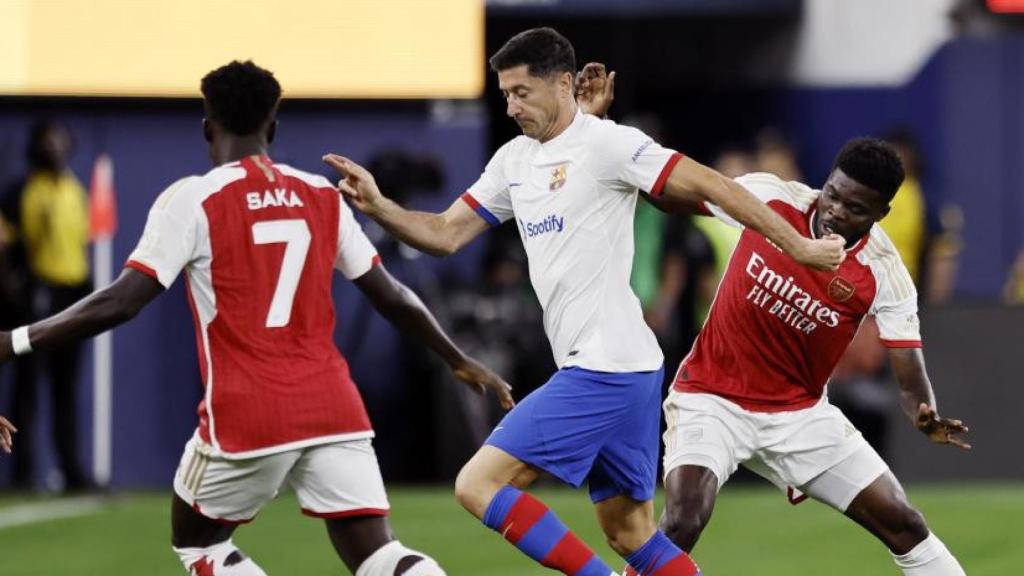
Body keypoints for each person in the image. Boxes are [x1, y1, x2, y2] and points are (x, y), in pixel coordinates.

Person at [324, 28, 845, 576]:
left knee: (477, 484)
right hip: (625, 367)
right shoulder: (514, 161)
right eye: (504, 94)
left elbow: (716, 186)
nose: (511, 105)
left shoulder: (609, 145)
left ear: (565, 84)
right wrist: (380, 206)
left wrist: (801, 247)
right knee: (630, 533)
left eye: (522, 92)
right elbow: (445, 233)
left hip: (607, 368)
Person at [0, 60, 513, 576]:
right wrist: (457, 357)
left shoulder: (192, 199)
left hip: (248, 410)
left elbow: (121, 300)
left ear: (207, 127)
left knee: (197, 542)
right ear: (273, 127)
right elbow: (393, 295)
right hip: (332, 405)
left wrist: (14, 340)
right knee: (379, 553)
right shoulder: (320, 194)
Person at [656, 138, 970, 576]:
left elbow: (908, 372)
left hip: (799, 417)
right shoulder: (771, 197)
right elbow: (677, 195)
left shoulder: (884, 271)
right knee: (683, 520)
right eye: (833, 194)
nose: (836, 211)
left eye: (856, 208)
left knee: (905, 523)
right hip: (711, 397)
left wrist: (924, 410)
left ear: (881, 214)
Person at [0, 120, 93, 491]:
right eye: (47, 140)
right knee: (27, 388)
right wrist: (15, 293)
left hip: (73, 295)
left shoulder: (75, 187)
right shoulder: (21, 190)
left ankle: (72, 470)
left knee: (66, 387)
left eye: (60, 139)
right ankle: (23, 473)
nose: (55, 147)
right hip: (36, 296)